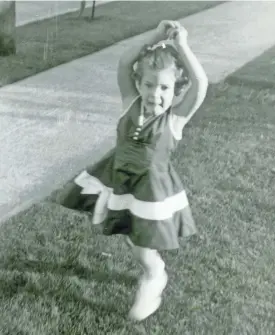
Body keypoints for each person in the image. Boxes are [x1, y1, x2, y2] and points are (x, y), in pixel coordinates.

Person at [55, 20, 208, 321]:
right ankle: (152, 268)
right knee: (130, 232)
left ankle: (154, 275)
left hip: (151, 189)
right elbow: (126, 62)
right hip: (121, 181)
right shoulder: (130, 104)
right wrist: (154, 36)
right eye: (149, 84)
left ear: (176, 89)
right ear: (138, 84)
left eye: (164, 87)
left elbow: (201, 84)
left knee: (142, 243)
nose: (155, 94)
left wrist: (183, 46)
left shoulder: (175, 120)